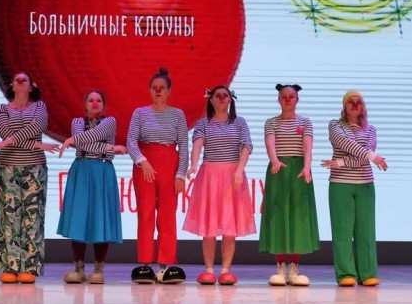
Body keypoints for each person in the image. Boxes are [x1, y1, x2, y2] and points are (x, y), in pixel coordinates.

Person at [0, 71, 59, 284]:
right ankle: (10, 266)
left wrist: (9, 141)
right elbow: (3, 132)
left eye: (24, 79)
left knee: (33, 217)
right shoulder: (3, 109)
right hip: (7, 167)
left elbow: (36, 127)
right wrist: (37, 144)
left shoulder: (39, 107)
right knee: (9, 217)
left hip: (35, 167)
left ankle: (30, 267)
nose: (19, 81)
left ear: (31, 86)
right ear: (11, 85)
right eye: (16, 79)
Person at [182, 85, 256, 286]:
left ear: (231, 99)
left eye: (225, 95)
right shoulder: (203, 123)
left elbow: (246, 146)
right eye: (218, 95)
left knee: (230, 226)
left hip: (233, 176)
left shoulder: (239, 122)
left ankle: (225, 270)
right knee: (209, 225)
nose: (222, 98)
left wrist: (239, 170)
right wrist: (194, 164)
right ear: (211, 100)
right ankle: (208, 269)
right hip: (210, 176)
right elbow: (198, 144)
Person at [57, 90, 127, 284]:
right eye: (91, 100)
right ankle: (78, 268)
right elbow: (83, 145)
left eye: (98, 100)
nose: (95, 103)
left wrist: (72, 140)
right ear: (85, 104)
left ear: (104, 105)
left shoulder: (110, 122)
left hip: (102, 172)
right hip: (81, 170)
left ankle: (98, 269)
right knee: (79, 217)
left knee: (100, 217)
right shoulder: (77, 122)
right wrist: (110, 148)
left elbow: (90, 137)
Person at [127, 67, 189, 284]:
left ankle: (166, 264)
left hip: (169, 163)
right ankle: (145, 263)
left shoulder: (178, 114)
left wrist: (180, 175)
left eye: (162, 88)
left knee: (167, 215)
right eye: (154, 88)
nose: (158, 91)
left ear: (169, 91)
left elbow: (184, 146)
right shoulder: (140, 113)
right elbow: (131, 141)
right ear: (150, 91)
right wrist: (142, 161)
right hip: (145, 164)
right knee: (145, 213)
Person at [321, 90, 388, 287]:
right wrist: (373, 157)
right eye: (351, 101)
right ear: (345, 106)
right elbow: (346, 144)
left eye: (359, 102)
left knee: (365, 231)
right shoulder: (335, 125)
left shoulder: (371, 130)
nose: (355, 104)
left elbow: (362, 157)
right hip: (340, 184)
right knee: (342, 231)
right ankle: (346, 274)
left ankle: (368, 273)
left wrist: (340, 162)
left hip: (365, 184)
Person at [259, 84, 319, 287]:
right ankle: (280, 267)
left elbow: (307, 147)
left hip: (299, 172)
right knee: (278, 216)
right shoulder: (271, 122)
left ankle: (294, 267)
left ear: (297, 99)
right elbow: (270, 143)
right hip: (279, 171)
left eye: (291, 96)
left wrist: (307, 168)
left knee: (297, 218)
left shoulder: (305, 122)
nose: (287, 100)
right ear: (278, 99)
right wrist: (275, 160)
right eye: (283, 96)